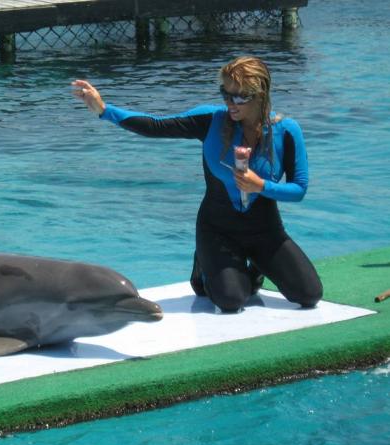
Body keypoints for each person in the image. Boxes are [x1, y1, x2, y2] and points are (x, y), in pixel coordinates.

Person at [71, 55, 323, 313]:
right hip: (218, 229)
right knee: (231, 301)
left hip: (265, 230)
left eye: (239, 97)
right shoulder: (211, 120)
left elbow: (299, 189)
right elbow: (156, 125)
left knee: (309, 295)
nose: (230, 103)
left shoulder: (287, 131)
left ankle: (255, 266)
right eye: (225, 94)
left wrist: (261, 186)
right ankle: (203, 265)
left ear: (260, 95)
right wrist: (104, 110)